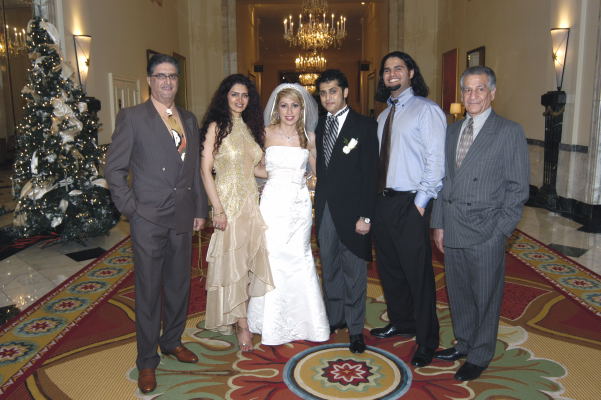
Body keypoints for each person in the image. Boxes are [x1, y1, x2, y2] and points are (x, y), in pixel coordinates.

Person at [105, 53, 208, 394]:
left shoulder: (189, 119)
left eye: (173, 76)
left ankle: (172, 340)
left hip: (182, 215)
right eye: (161, 76)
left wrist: (199, 209)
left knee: (179, 284)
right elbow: (114, 169)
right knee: (149, 291)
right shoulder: (133, 117)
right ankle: (147, 360)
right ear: (150, 80)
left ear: (178, 81)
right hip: (147, 218)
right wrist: (131, 208)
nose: (167, 82)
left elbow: (194, 170)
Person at [431, 66, 529, 381]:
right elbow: (445, 181)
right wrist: (439, 223)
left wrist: (500, 232)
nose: (472, 96)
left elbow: (518, 188)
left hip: (486, 230)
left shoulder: (509, 131)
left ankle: (480, 354)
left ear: (492, 93)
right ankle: (464, 342)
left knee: (485, 296)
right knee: (458, 292)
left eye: (480, 89)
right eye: (467, 90)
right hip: (453, 225)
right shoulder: (452, 131)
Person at [369, 51, 445, 367]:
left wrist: (420, 203)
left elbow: (436, 160)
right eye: (387, 69)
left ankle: (427, 340)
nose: (392, 74)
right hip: (383, 201)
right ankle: (402, 322)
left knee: (418, 275)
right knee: (390, 269)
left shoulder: (427, 110)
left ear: (411, 73)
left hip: (411, 202)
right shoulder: (383, 116)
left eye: (398, 68)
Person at [247, 83, 330, 345]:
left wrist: (309, 167)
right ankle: (270, 322)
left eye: (295, 105)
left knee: (299, 256)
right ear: (277, 108)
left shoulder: (309, 137)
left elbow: (319, 172)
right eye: (284, 106)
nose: (290, 111)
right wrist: (271, 173)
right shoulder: (265, 133)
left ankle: (306, 321)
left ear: (302, 109)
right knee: (272, 256)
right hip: (273, 202)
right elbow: (257, 169)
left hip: (298, 205)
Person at [200, 74, 274, 352]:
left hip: (251, 204)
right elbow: (205, 170)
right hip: (228, 206)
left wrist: (285, 171)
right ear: (225, 96)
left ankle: (241, 315)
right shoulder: (216, 127)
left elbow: (254, 169)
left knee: (246, 265)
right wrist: (217, 209)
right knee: (233, 266)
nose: (240, 100)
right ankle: (242, 325)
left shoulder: (251, 127)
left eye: (244, 95)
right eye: (234, 94)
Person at [314, 69, 379, 353]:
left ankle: (355, 329)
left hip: (355, 214)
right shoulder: (318, 126)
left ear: (346, 92)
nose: (328, 97)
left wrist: (366, 216)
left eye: (333, 91)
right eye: (323, 93)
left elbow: (371, 175)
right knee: (329, 269)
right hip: (326, 211)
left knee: (354, 273)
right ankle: (335, 318)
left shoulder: (364, 125)